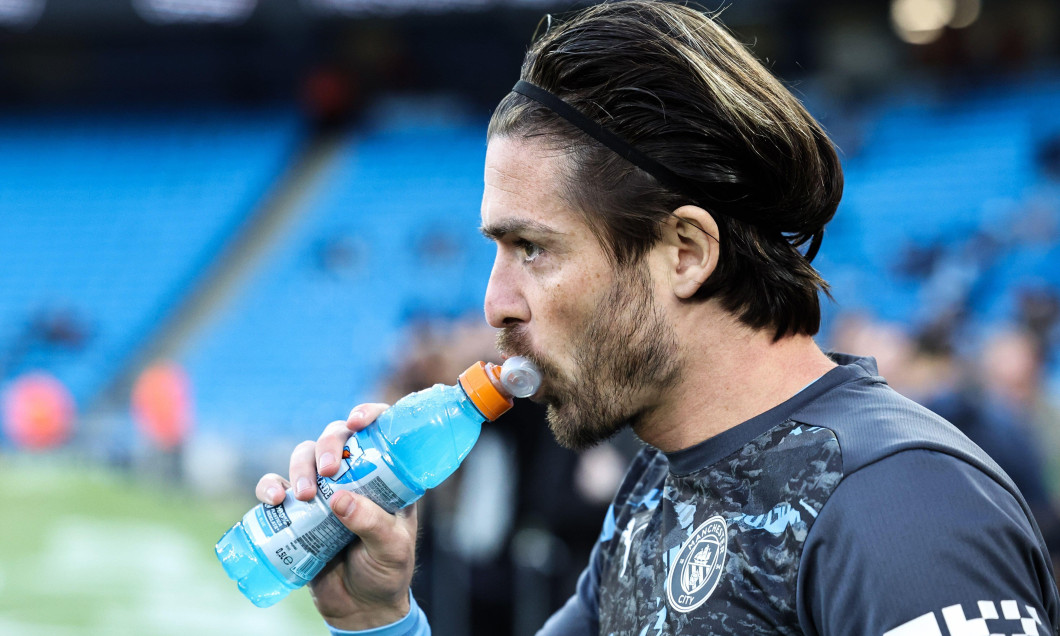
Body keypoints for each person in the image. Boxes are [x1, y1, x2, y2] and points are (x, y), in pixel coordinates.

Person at [253, 2, 1060, 634]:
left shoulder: (900, 508)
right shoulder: (660, 486)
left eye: (531, 248)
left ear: (684, 251)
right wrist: (379, 618)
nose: (495, 303)